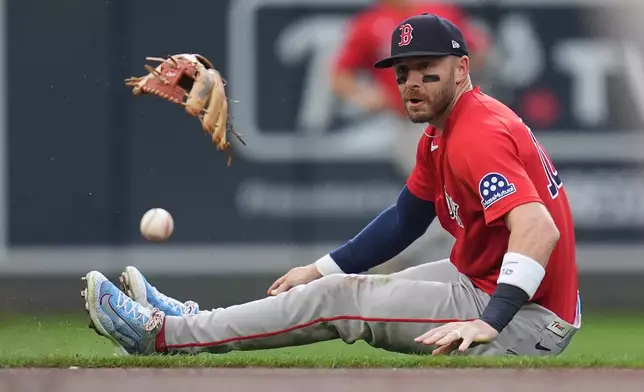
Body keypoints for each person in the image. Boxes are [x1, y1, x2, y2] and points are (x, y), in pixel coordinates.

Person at [81, 13, 581, 357]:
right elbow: (407, 217)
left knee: (337, 302)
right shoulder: (444, 131)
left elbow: (538, 230)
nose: (411, 83)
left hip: (525, 318)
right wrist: (318, 267)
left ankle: (164, 335)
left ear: (462, 69)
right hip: (487, 283)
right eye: (402, 72)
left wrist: (491, 321)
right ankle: (197, 320)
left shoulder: (477, 133)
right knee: (330, 286)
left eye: (428, 71)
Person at [330, 0, 491, 272]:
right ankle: (387, 257)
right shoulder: (371, 22)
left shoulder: (439, 12)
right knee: (444, 207)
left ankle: (387, 257)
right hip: (408, 124)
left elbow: (478, 49)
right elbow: (339, 74)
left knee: (451, 207)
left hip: (453, 120)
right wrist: (365, 97)